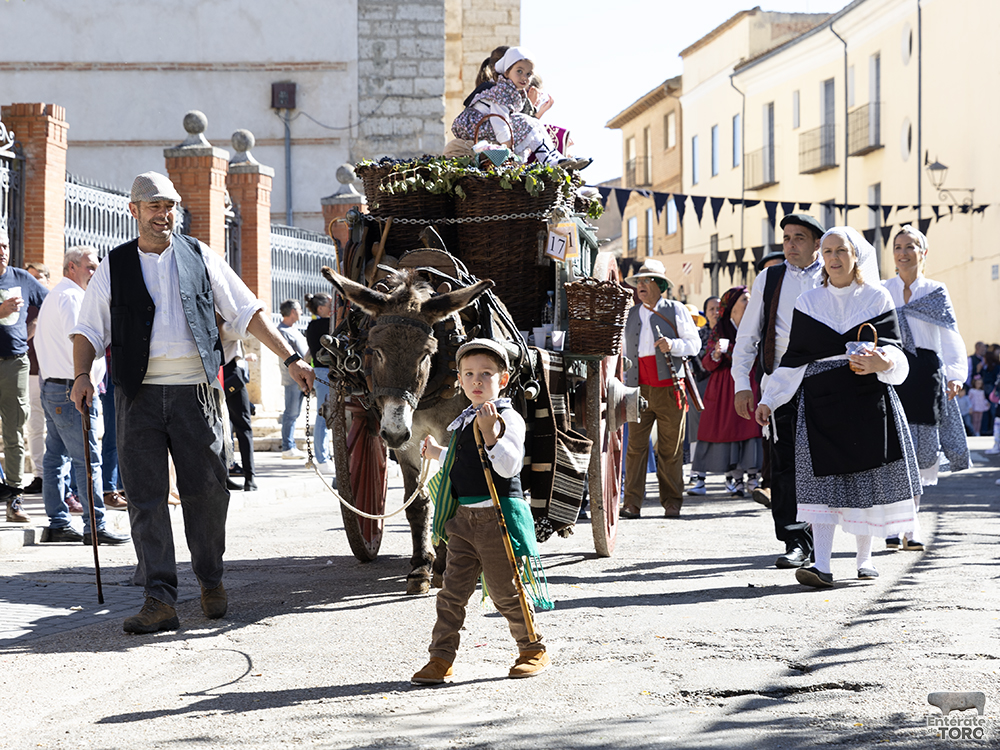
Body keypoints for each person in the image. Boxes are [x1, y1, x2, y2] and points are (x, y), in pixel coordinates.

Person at [70, 171, 314, 634]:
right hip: (136, 395)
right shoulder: (114, 265)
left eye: (169, 207)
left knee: (208, 491)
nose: (163, 215)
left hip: (196, 392)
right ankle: (159, 598)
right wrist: (82, 375)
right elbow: (88, 329)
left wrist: (290, 357)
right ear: (134, 210)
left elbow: (247, 310)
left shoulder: (200, 255)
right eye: (154, 207)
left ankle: (210, 579)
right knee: (145, 498)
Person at [755, 227, 920, 587]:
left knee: (866, 478)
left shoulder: (876, 298)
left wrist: (883, 363)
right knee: (821, 484)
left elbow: (894, 350)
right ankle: (823, 566)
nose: (833, 258)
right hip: (821, 401)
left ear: (855, 254)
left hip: (866, 397)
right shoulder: (809, 303)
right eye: (827, 251)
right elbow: (794, 360)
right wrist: (769, 399)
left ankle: (864, 559)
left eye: (840, 250)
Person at [412, 339, 549, 684]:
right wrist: (438, 454)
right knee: (451, 594)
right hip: (464, 522)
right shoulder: (462, 421)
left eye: (486, 374)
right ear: (459, 378)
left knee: (505, 591)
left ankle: (532, 649)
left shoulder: (508, 418)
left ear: (502, 380)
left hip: (496, 521)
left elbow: (508, 466)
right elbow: (463, 462)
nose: (477, 381)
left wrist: (491, 435)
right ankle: (440, 658)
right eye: (469, 374)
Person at [732, 214, 825, 569]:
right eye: (786, 238)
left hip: (824, 382)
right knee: (785, 465)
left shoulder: (832, 272)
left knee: (824, 462)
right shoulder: (769, 278)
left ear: (817, 243)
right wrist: (743, 384)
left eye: (799, 238)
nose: (790, 244)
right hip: (780, 385)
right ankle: (796, 540)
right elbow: (748, 336)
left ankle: (825, 540)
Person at [883, 225, 969, 551]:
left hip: (925, 376)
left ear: (923, 252)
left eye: (910, 246)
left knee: (919, 454)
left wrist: (956, 374)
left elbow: (951, 334)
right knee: (892, 454)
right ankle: (895, 523)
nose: (903, 252)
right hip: (891, 373)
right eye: (898, 246)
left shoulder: (935, 290)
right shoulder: (882, 290)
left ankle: (912, 525)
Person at [35, 246, 129, 545]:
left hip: (55, 385)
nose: (95, 272)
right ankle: (94, 526)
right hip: (72, 388)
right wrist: (89, 377)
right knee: (87, 460)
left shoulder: (56, 295)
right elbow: (84, 343)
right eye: (90, 267)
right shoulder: (74, 298)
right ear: (71, 268)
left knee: (56, 458)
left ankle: (58, 522)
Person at [621, 259, 700, 518]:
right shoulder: (629, 314)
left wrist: (673, 345)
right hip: (637, 389)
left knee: (670, 449)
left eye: (646, 281)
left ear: (660, 285)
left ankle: (672, 502)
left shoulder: (676, 309)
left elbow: (694, 345)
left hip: (670, 389)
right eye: (639, 282)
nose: (640, 286)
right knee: (635, 448)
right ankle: (632, 503)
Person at [451, 47, 589, 170]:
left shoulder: (513, 90)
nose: (524, 77)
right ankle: (548, 159)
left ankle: (553, 157)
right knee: (524, 121)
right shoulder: (503, 90)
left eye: (529, 74)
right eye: (519, 71)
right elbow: (498, 120)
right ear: (506, 72)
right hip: (475, 126)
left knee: (533, 122)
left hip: (487, 125)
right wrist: (507, 147)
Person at [689, 286, 763, 498]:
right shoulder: (720, 328)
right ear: (731, 305)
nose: (748, 303)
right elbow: (707, 364)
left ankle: (753, 477)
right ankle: (735, 479)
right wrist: (715, 355)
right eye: (744, 300)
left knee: (752, 428)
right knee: (730, 430)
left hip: (750, 381)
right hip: (724, 386)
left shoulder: (757, 324)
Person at [0, 227, 48, 522]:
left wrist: (31, 330)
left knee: (14, 432)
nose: (2, 251)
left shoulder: (21, 278)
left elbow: (50, 303)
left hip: (16, 363)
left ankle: (14, 499)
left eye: (4, 245)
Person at [23, 261, 51, 496]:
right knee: (34, 426)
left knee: (55, 429)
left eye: (38, 277)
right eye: (29, 276)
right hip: (30, 372)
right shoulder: (23, 303)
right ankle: (40, 475)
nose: (33, 281)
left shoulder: (53, 300)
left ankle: (54, 476)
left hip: (53, 373)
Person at [221, 321, 257, 491]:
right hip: (231, 374)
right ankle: (250, 478)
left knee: (221, 429)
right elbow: (248, 331)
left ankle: (224, 477)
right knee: (244, 428)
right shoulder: (226, 326)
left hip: (215, 374)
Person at [304, 292, 335, 475]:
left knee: (325, 416)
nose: (333, 306)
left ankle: (325, 456)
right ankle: (322, 458)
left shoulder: (312, 325)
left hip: (322, 372)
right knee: (323, 416)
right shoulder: (324, 324)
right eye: (330, 303)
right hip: (324, 372)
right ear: (321, 308)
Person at [278, 299, 309, 459]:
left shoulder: (294, 330)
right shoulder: (281, 331)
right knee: (290, 413)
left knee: (295, 413)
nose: (302, 311)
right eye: (299, 309)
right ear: (292, 311)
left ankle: (290, 446)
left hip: (302, 377)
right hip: (292, 379)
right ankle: (287, 447)